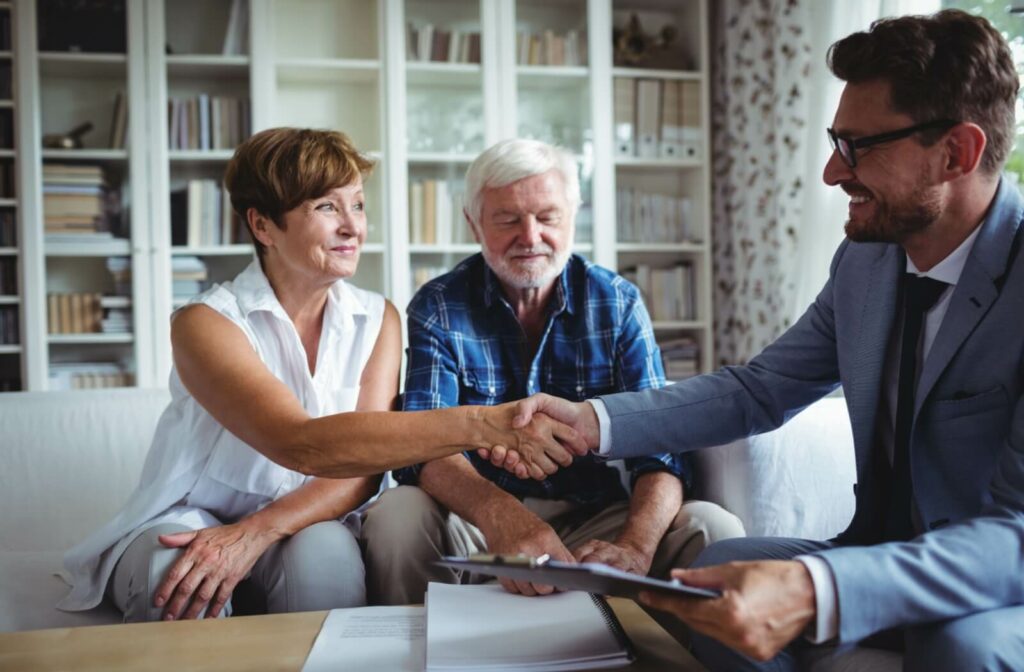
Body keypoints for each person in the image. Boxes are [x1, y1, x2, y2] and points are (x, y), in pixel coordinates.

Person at [505, 10, 1024, 671]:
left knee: (960, 646)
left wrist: (819, 587)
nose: (834, 174)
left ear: (958, 152)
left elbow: (1016, 538)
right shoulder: (866, 263)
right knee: (718, 568)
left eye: (860, 147)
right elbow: (757, 390)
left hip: (995, 582)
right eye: (837, 142)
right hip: (877, 548)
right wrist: (589, 422)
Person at [57, 128, 585, 623]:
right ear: (262, 225)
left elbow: (359, 471)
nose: (353, 226)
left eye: (357, 204)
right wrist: (488, 424)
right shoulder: (204, 323)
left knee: (328, 558)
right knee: (172, 573)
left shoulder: (378, 318)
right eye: (327, 207)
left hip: (305, 516)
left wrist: (256, 534)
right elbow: (301, 445)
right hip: (191, 515)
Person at [362, 138, 744, 608]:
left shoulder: (617, 301)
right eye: (507, 219)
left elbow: (660, 450)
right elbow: (423, 448)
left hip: (596, 517)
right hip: (475, 517)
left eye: (547, 217)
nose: (530, 237)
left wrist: (634, 548)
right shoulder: (439, 305)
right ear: (473, 223)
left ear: (572, 216)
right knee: (396, 514)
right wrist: (503, 517)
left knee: (714, 527)